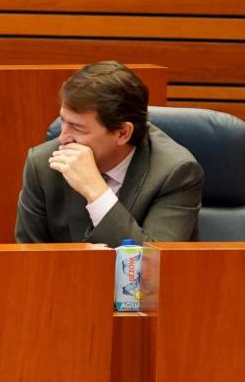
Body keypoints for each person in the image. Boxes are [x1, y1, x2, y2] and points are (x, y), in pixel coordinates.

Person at [15, 61, 204, 246]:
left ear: (122, 133)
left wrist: (97, 192)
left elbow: (154, 263)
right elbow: (30, 261)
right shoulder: (43, 164)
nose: (63, 138)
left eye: (78, 128)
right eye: (63, 121)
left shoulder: (176, 172)